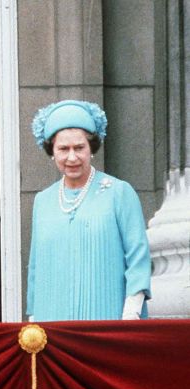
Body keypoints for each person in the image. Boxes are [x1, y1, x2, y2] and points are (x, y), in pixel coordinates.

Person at [27, 100, 152, 321]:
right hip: (52, 321)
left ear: (91, 148)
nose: (72, 157)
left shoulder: (119, 192)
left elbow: (138, 258)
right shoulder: (42, 201)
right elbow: (36, 268)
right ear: (52, 152)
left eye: (79, 147)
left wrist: (131, 312)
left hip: (108, 319)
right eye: (63, 149)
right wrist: (34, 319)